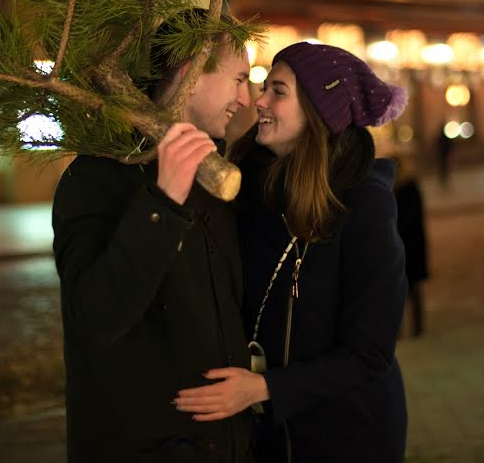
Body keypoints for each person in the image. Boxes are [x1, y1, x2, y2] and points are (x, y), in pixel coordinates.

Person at [174, 42, 409, 462]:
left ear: (320, 111)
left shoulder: (363, 205)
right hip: (264, 435)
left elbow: (369, 353)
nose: (258, 101)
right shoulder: (243, 187)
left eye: (277, 92)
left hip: (348, 435)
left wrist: (265, 389)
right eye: (263, 87)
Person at [52, 12, 254, 462]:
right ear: (190, 71)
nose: (247, 98)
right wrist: (162, 203)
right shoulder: (97, 176)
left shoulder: (218, 175)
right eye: (239, 79)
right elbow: (95, 318)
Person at [394, 159, 429, 338]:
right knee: (400, 290)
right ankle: (401, 329)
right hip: (403, 245)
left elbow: (413, 216)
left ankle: (417, 327)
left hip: (410, 245)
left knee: (412, 289)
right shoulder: (394, 187)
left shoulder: (408, 186)